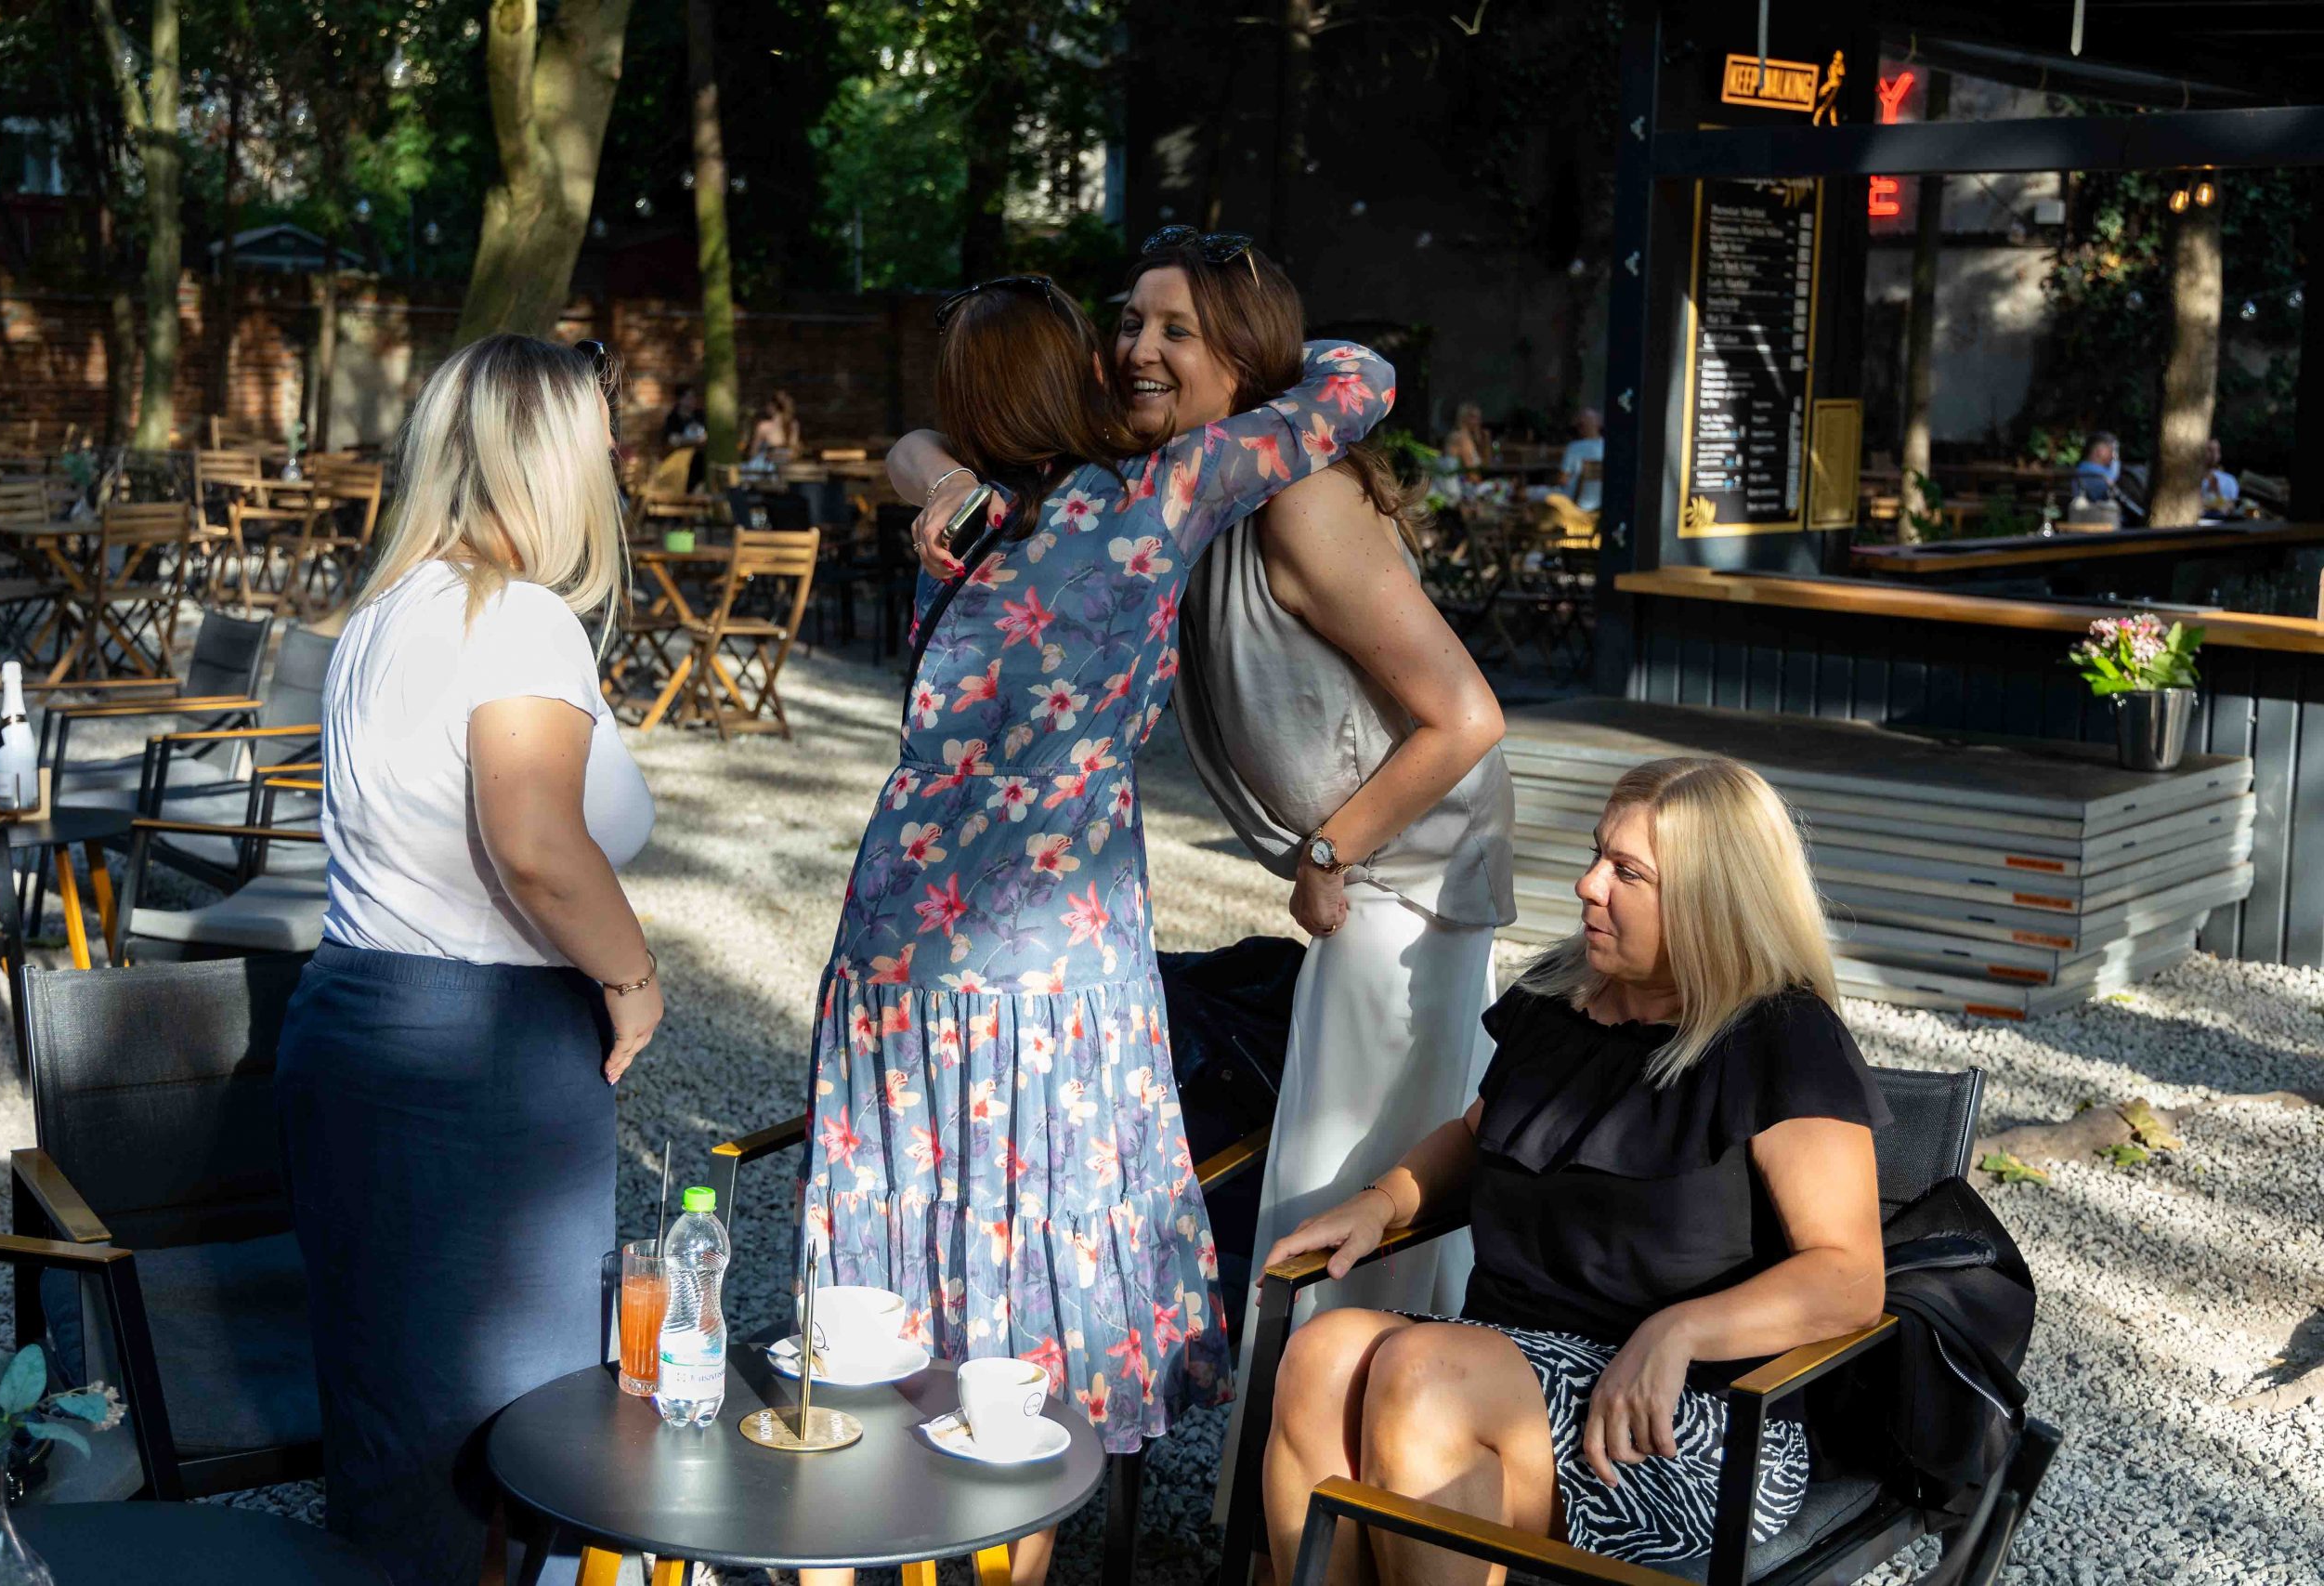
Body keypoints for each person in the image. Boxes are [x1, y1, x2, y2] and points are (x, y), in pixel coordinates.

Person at [803, 273, 1394, 1585]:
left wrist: (933, 465)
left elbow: (910, 450)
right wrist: (1234, 346)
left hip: (894, 931)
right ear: (1072, 373)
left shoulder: (961, 522)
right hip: (1049, 948)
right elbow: (1363, 378)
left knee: (909, 1236)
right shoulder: (1159, 492)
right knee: (1038, 1261)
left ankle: (869, 1528)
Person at [1095, 229, 1513, 1514]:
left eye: (1176, 329)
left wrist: (1331, 852)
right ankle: (1321, 1516)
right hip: (1372, 897)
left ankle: (1338, 1521)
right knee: (1332, 1217)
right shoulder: (1204, 485)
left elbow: (1466, 715)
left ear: (1244, 359)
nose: (1138, 347)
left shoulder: (1298, 496)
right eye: (1131, 321)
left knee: (1342, 1222)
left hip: (1401, 903)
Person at [1259, 755, 1890, 1585]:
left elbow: (1850, 1279)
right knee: (1320, 1357)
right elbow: (1477, 1137)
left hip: (1681, 1418)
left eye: (1628, 872)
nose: (1588, 885)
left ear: (1712, 897)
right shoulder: (1561, 999)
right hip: (1499, 1363)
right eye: (1598, 854)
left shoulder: (1782, 1037)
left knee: (1422, 1376)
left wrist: (1677, 1330)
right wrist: (1383, 1201)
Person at [275, 334, 659, 1586]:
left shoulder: (383, 613)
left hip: (355, 1017)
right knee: (515, 1444)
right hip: (480, 1053)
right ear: (549, 458)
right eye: (601, 438)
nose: (618, 459)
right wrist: (633, 977)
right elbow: (535, 842)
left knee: (395, 1439)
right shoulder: (519, 620)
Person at [1560, 406, 1605, 512]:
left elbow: (1563, 480)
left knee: (1529, 493)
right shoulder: (1609, 447)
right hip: (1601, 504)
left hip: (1575, 503)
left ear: (1580, 427)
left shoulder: (1574, 447)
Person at [749, 388, 801, 465]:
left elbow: (753, 452)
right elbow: (794, 452)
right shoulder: (794, 425)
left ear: (772, 407)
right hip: (784, 465)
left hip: (769, 466)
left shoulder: (764, 426)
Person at [1443, 401, 1491, 471]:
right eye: (1474, 418)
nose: (1478, 422)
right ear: (1464, 418)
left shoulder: (1468, 437)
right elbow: (1471, 472)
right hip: (1459, 478)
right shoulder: (1461, 438)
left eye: (1479, 418)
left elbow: (1485, 464)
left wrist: (1486, 442)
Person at [2200, 437, 2240, 517]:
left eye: (2217, 451)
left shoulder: (2230, 481)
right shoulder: (2189, 480)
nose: (2214, 455)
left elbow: (2232, 508)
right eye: (2210, 450)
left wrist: (2217, 496)